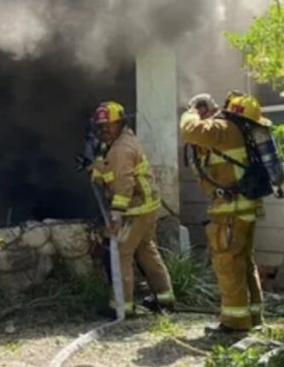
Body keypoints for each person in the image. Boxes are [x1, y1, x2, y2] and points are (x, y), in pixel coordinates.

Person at [180, 92, 266, 333]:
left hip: (231, 210)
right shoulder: (241, 131)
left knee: (227, 263)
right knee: (244, 263)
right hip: (245, 207)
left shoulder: (224, 128)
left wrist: (191, 110)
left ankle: (235, 322)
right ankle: (253, 318)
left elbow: (189, 131)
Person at [88, 101, 175, 314]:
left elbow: (123, 186)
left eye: (109, 125)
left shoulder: (121, 149)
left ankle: (122, 306)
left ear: (120, 124)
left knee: (121, 254)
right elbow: (110, 171)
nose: (104, 130)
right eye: (100, 126)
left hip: (133, 211)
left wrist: (116, 216)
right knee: (146, 250)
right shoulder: (119, 142)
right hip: (145, 208)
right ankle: (164, 298)